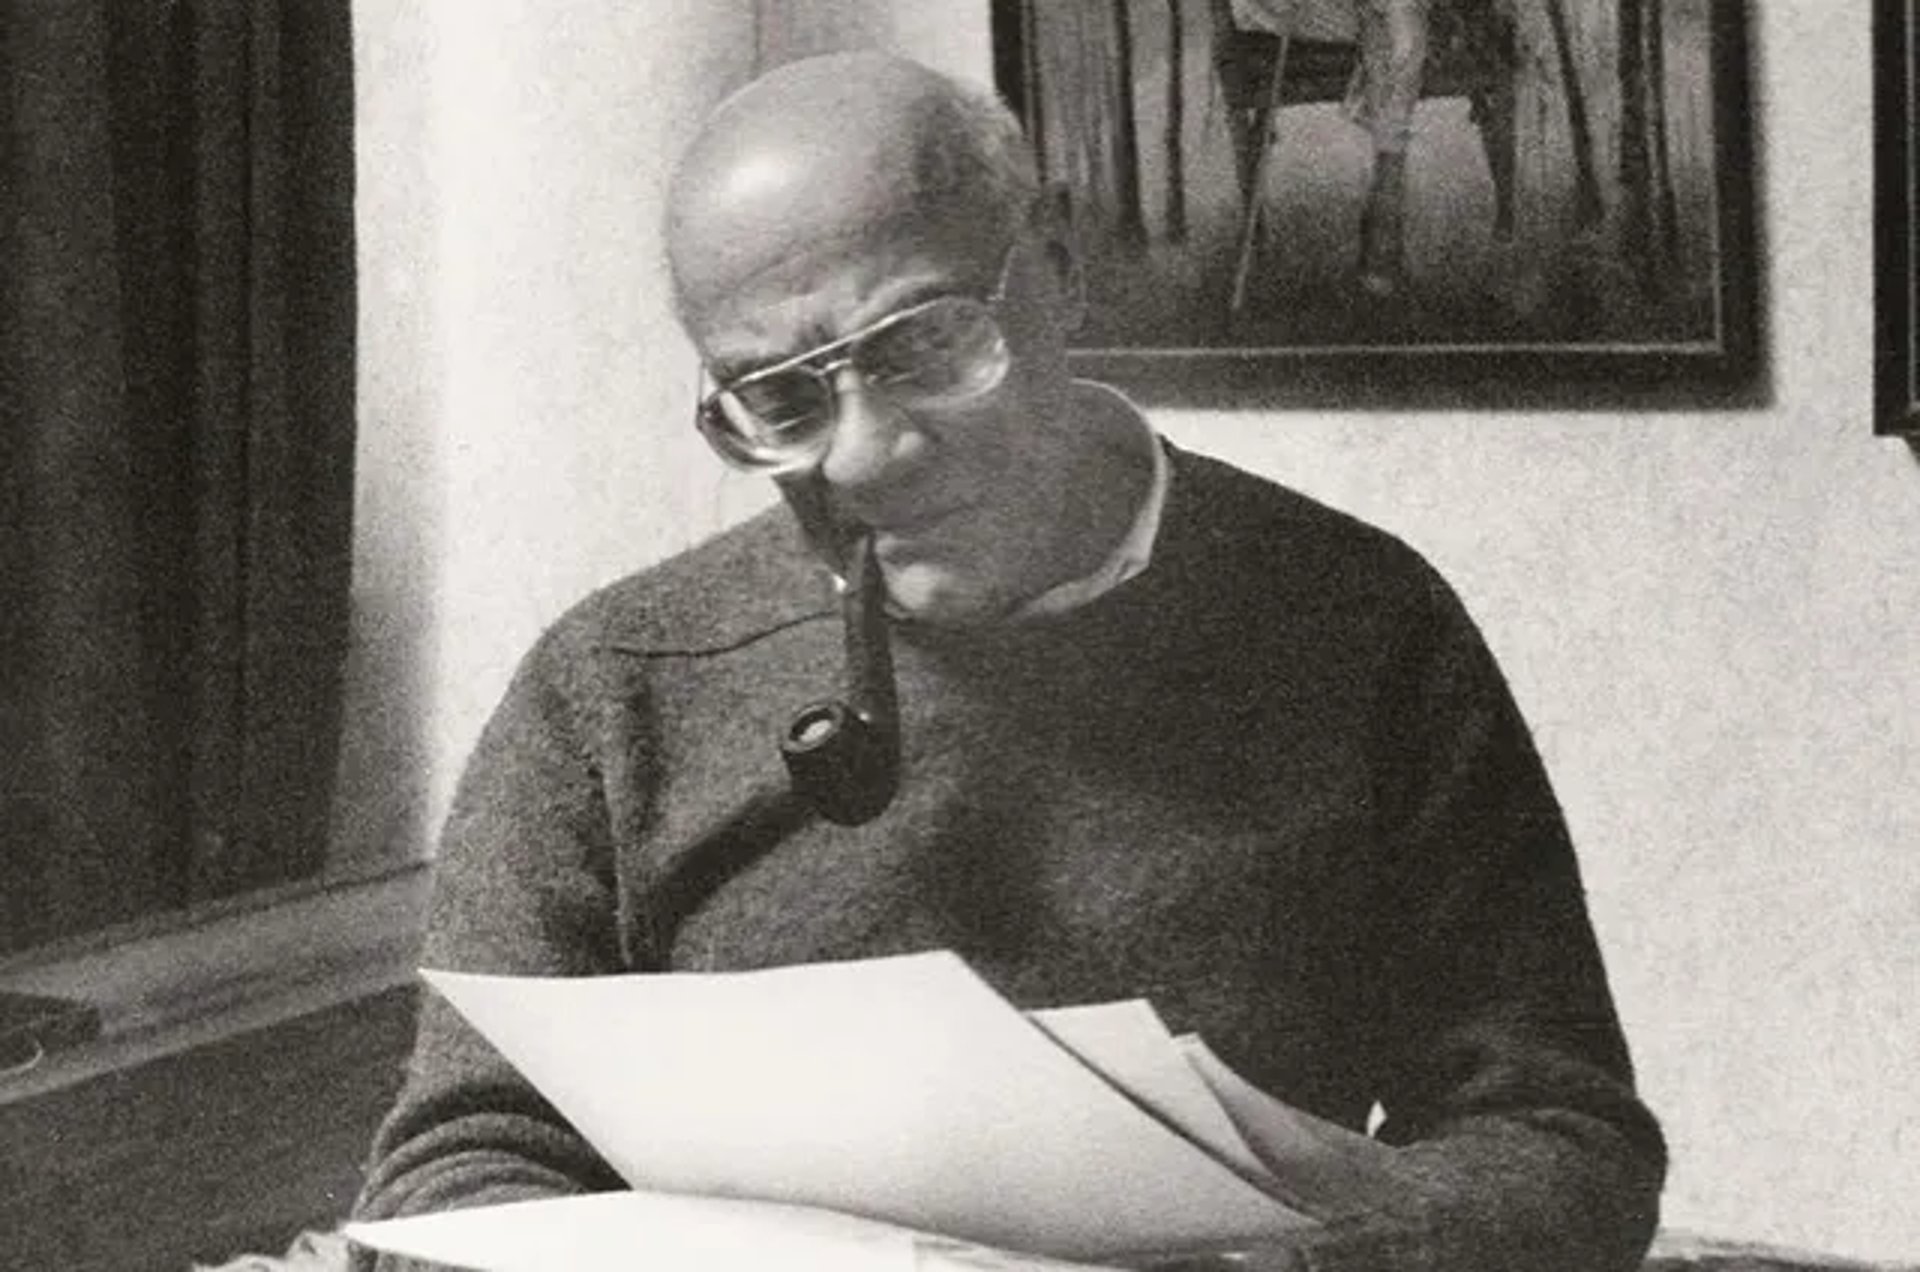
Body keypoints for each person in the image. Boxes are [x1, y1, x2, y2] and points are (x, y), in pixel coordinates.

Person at [350, 50, 1665, 1272]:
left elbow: (1560, 1134)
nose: (867, 456)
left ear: (1062, 265)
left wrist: (1308, 1262)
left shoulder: (1361, 621)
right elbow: (454, 1172)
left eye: (922, 346)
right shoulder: (610, 684)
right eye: (780, 398)